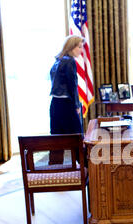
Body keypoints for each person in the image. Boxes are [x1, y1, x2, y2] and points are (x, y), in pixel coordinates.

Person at [49, 35, 84, 164]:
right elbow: (72, 86)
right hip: (66, 105)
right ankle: (87, 171)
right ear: (72, 47)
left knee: (56, 141)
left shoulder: (58, 60)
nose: (81, 50)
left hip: (55, 105)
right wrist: (76, 106)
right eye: (79, 47)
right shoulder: (69, 61)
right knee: (77, 139)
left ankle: (54, 171)